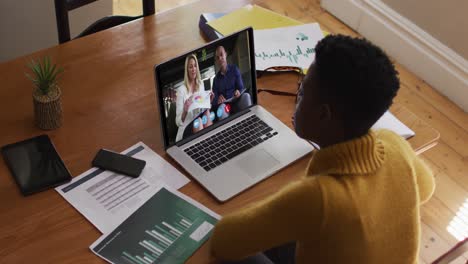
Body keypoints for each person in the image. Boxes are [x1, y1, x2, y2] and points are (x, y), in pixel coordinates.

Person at [210, 35, 435, 264]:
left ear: (323, 114)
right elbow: (426, 187)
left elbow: (224, 239)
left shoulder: (317, 198)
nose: (298, 98)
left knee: (224, 257)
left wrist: (279, 205)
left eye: (303, 92)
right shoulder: (394, 143)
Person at [175, 54, 212, 141]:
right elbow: (178, 122)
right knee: (198, 121)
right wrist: (185, 110)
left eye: (195, 66)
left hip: (198, 124)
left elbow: (202, 109)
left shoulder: (200, 85)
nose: (193, 69)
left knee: (207, 114)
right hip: (186, 127)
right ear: (187, 70)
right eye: (190, 67)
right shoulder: (181, 91)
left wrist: (209, 102)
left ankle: (211, 143)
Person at [211, 46, 251, 112]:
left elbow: (241, 88)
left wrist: (238, 91)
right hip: (225, 106)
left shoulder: (234, 69)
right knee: (221, 109)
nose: (220, 58)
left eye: (221, 55)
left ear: (225, 54)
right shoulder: (215, 80)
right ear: (217, 61)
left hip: (237, 101)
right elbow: (214, 101)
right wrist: (218, 100)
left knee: (246, 96)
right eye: (217, 58)